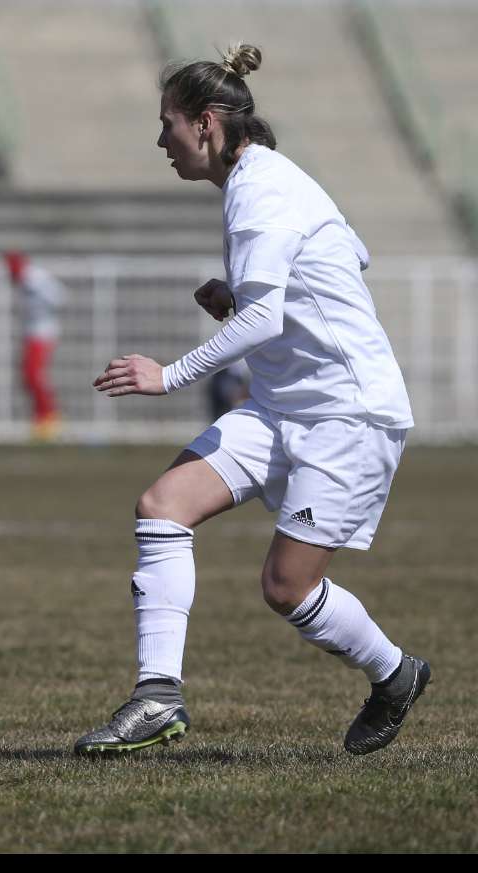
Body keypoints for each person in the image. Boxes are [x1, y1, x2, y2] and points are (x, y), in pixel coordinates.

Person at [75, 44, 429, 756]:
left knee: (286, 588)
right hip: (281, 405)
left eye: (167, 123)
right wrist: (241, 295)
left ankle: (395, 673)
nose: (159, 140)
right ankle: (156, 696)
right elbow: (348, 254)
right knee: (162, 506)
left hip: (345, 414)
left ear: (205, 124)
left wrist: (168, 374)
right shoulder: (261, 183)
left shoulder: (262, 191)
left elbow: (270, 319)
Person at [5, 251, 65, 440]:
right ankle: (41, 417)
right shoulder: (23, 281)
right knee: (28, 376)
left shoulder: (36, 278)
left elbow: (60, 297)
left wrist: (39, 296)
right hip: (31, 333)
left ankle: (49, 418)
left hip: (43, 333)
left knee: (34, 374)